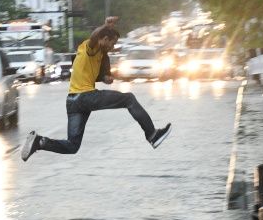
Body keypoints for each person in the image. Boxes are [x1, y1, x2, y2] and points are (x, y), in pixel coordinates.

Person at [21, 16, 171, 161]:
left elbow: (98, 76)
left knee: (73, 145)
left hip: (73, 102)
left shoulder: (101, 56)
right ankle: (152, 135)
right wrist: (106, 26)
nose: (112, 48)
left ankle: (40, 142)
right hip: (86, 97)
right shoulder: (91, 47)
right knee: (129, 99)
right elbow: (94, 37)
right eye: (112, 43)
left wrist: (106, 78)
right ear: (104, 39)